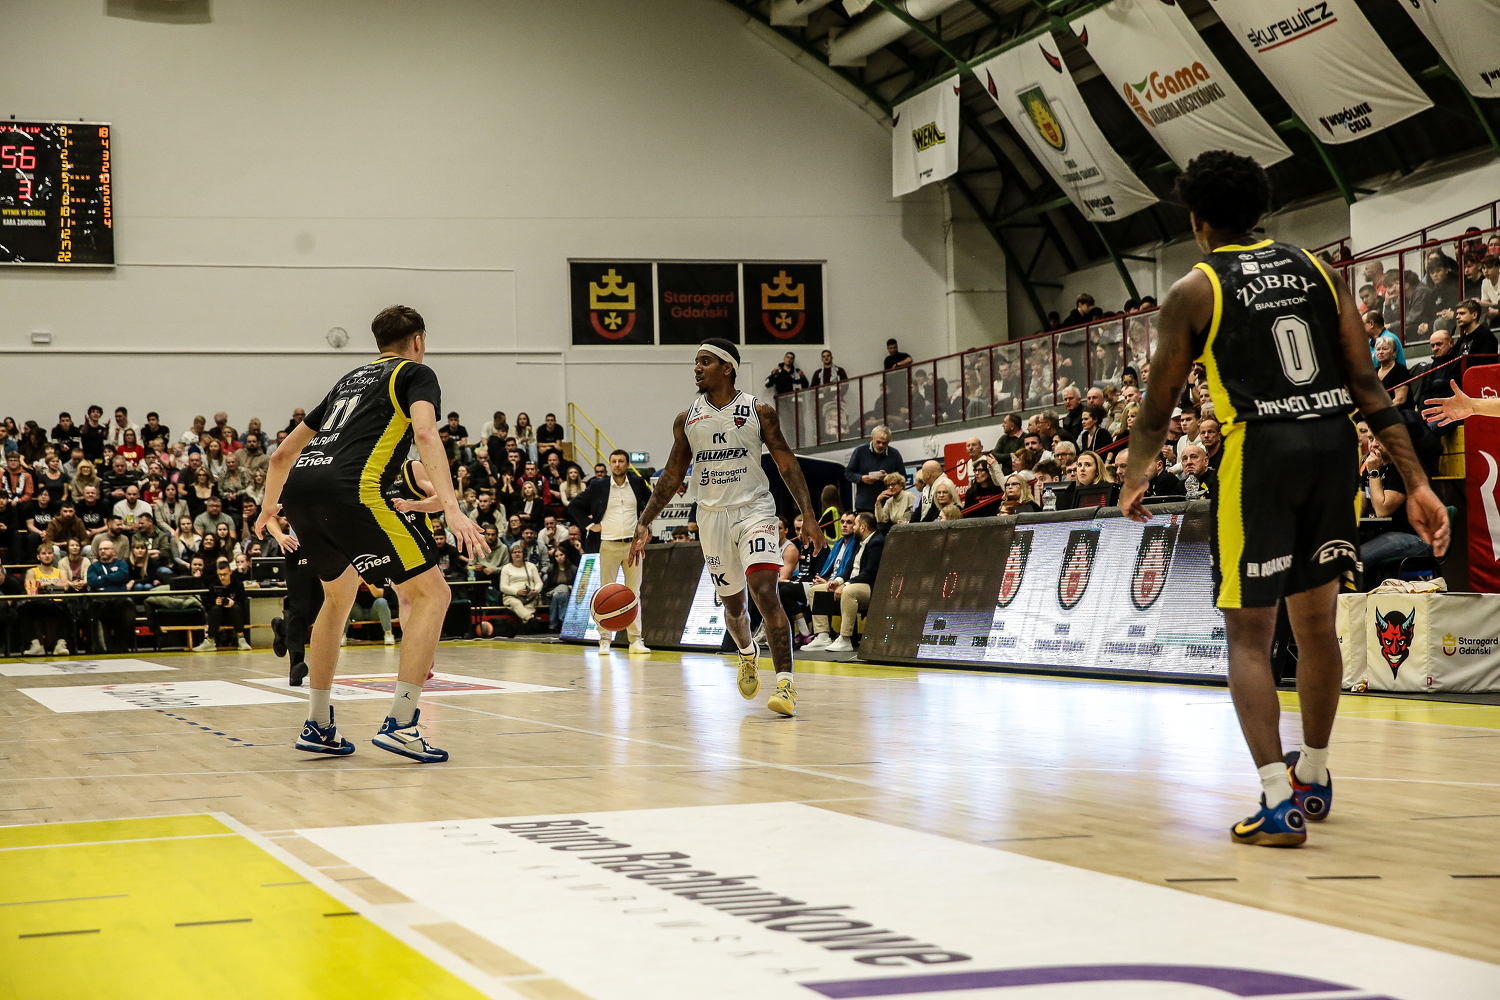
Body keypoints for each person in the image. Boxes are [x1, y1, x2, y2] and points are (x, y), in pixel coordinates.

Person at [1122, 150, 1447, 848]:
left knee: (1249, 634)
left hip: (1261, 455)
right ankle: (1315, 774)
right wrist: (1418, 482)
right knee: (1317, 625)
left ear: (1198, 221)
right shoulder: (1319, 270)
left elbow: (1157, 406)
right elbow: (1369, 387)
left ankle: (1276, 799)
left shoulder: (1194, 290)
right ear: (1261, 210)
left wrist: (1136, 472)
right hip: (1332, 446)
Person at [253, 304, 486, 763]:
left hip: (300, 490)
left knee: (336, 600)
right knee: (433, 594)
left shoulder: (348, 381)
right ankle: (402, 723)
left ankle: (318, 724)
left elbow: (281, 455)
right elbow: (426, 434)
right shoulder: (415, 373)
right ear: (418, 340)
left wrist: (267, 507)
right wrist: (452, 508)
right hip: (352, 489)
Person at [629, 339, 824, 717]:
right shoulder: (687, 419)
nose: (697, 368)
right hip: (711, 517)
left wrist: (809, 514)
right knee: (734, 607)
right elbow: (672, 475)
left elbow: (786, 463)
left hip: (755, 511)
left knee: (765, 591)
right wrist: (644, 521)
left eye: (705, 361)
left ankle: (785, 686)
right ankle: (747, 653)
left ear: (727, 367)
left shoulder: (758, 411)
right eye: (696, 362)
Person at [566, 449, 652, 653]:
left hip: (633, 546)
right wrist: (589, 525)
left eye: (621, 461)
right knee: (606, 593)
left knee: (634, 593)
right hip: (608, 545)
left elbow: (652, 504)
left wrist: (647, 526)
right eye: (614, 461)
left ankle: (636, 641)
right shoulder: (598, 485)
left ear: (627, 464)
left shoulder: (638, 484)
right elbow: (574, 505)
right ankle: (604, 640)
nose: (617, 464)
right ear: (610, 464)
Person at [803, 512, 882, 653]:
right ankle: (822, 636)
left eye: (855, 524)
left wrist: (845, 585)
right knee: (815, 590)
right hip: (854, 583)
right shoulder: (859, 542)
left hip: (871, 587)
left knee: (848, 592)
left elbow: (870, 573)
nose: (853, 527)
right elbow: (849, 568)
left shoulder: (877, 542)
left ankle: (845, 638)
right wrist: (837, 581)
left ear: (863, 527)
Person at [21, 544, 74, 656]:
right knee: (23, 609)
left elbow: (64, 587)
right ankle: (36, 644)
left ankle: (61, 644)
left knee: (69, 608)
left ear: (54, 556)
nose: (47, 556)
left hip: (57, 603)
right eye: (44, 553)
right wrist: (54, 585)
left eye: (49, 553)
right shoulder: (32, 572)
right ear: (38, 557)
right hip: (37, 603)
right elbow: (31, 588)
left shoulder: (61, 572)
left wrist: (43, 586)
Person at [844, 425, 904, 512]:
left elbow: (903, 477)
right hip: (864, 505)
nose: (881, 445)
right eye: (878, 442)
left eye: (884, 443)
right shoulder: (860, 451)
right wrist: (861, 478)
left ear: (888, 442)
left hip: (888, 504)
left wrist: (888, 478)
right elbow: (848, 472)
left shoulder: (894, 454)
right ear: (871, 439)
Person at [499, 542, 544, 629]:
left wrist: (536, 590)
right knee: (516, 603)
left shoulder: (531, 566)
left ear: (524, 554)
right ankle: (530, 620)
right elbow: (503, 587)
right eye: (514, 552)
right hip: (511, 597)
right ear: (511, 555)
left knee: (528, 608)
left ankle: (527, 625)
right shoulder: (506, 568)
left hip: (529, 597)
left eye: (519, 552)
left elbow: (539, 582)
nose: (517, 554)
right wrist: (517, 591)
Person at [346, 578, 395, 645]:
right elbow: (347, 596)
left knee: (382, 601)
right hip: (358, 612)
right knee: (346, 603)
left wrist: (369, 583)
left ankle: (388, 633)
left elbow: (380, 594)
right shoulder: (353, 576)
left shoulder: (379, 576)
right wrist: (357, 584)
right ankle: (342, 635)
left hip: (374, 612)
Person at [1373, 333, 1410, 407]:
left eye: (1385, 349)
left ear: (1394, 352)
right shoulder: (1374, 372)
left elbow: (1400, 400)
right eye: (1378, 349)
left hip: (1397, 411)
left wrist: (1381, 410)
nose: (1380, 352)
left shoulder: (1400, 370)